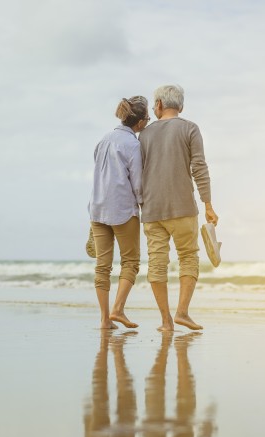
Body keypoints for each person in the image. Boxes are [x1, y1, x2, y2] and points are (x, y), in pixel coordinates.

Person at [138, 85, 218, 331]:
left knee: (157, 262)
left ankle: (166, 321)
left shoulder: (144, 135)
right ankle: (182, 313)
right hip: (183, 206)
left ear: (159, 105)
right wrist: (208, 204)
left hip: (152, 209)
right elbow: (199, 168)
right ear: (180, 106)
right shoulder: (189, 128)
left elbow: (136, 173)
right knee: (188, 258)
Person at [88, 96, 149, 330]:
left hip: (97, 208)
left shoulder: (103, 139)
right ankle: (118, 309)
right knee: (131, 262)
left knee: (103, 266)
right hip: (122, 209)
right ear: (141, 122)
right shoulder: (132, 145)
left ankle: (105, 320)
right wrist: (144, 205)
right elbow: (137, 183)